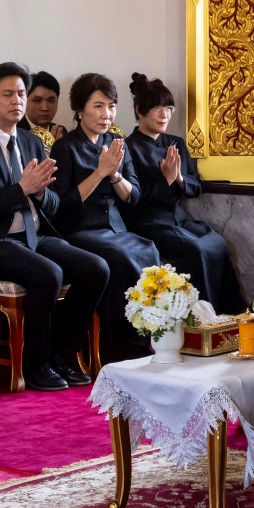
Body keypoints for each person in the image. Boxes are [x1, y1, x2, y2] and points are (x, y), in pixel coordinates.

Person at [0, 62, 108, 391]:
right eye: (8, 94)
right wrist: (21, 189)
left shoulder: (32, 143)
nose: (17, 100)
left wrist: (41, 192)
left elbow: (53, 206)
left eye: (21, 93)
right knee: (48, 273)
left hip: (31, 235)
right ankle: (36, 364)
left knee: (96, 268)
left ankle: (63, 353)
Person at [49, 73, 159, 350]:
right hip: (79, 230)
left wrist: (114, 175)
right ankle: (119, 344)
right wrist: (100, 172)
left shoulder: (116, 142)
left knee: (150, 250)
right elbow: (61, 205)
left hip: (115, 229)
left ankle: (151, 334)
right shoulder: (65, 147)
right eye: (98, 106)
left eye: (111, 106)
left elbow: (134, 196)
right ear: (79, 109)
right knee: (120, 259)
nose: (106, 114)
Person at [122, 74, 244, 314]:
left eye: (168, 108)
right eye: (157, 108)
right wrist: (165, 180)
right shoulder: (129, 147)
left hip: (180, 218)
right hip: (149, 222)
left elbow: (195, 185)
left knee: (217, 244)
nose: (164, 115)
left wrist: (178, 178)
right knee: (196, 251)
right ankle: (203, 317)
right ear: (139, 111)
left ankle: (229, 315)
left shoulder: (175, 142)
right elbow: (133, 198)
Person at [20, 70, 67, 142]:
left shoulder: (60, 132)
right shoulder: (14, 131)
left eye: (51, 101)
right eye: (37, 100)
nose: (45, 108)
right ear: (25, 101)